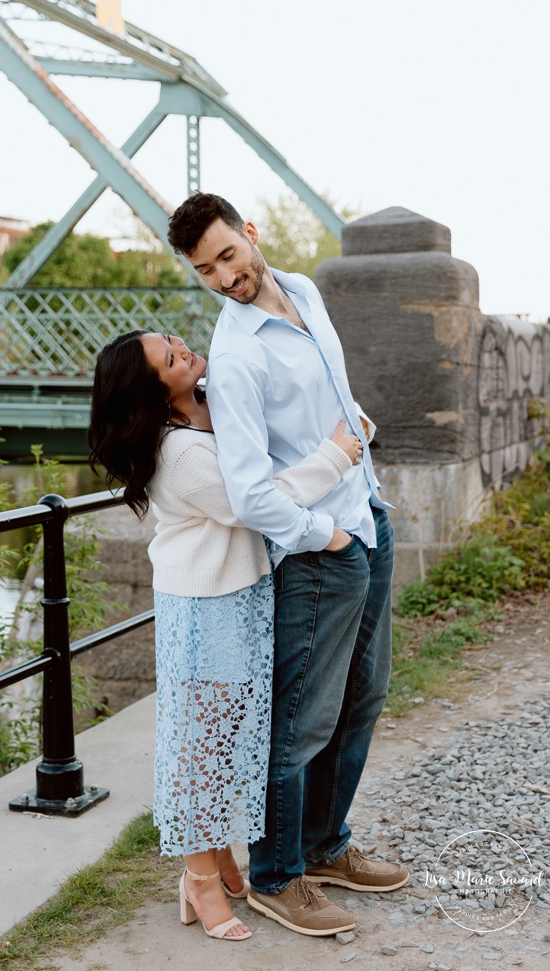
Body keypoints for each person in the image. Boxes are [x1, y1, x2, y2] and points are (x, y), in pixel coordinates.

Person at [166, 194, 409, 938]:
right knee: (301, 722)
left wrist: (358, 450)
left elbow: (328, 394)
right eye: (205, 270)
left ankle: (324, 847)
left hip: (366, 517)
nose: (222, 278)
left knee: (361, 700)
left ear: (250, 234)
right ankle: (275, 875)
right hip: (317, 554)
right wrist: (319, 535)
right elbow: (246, 493)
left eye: (227, 257)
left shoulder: (302, 289)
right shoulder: (236, 356)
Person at [88, 328, 364, 941]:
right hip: (204, 604)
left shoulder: (209, 408)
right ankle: (200, 880)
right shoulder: (179, 451)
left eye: (174, 341)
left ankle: (215, 859)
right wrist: (335, 456)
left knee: (234, 733)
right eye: (169, 358)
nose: (184, 349)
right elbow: (252, 504)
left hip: (238, 594)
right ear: (154, 392)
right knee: (202, 746)